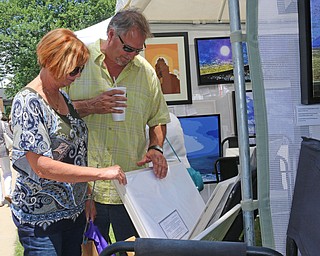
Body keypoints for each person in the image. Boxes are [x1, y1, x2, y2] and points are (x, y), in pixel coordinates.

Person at [10, 28, 127, 256]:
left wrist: (86, 196)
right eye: (74, 70)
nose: (78, 76)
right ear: (52, 61)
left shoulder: (62, 96)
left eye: (81, 69)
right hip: (41, 221)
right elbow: (41, 166)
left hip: (72, 214)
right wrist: (100, 173)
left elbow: (76, 152)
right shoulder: (27, 102)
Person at [65, 8, 171, 245]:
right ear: (111, 34)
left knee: (135, 251)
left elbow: (158, 118)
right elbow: (55, 112)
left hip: (130, 188)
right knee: (86, 251)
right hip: (85, 189)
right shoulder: (79, 61)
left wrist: (156, 148)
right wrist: (92, 105)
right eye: (127, 48)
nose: (132, 55)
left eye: (137, 49)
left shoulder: (146, 73)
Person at [0, 111, 13, 207]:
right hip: (3, 150)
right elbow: (10, 136)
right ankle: (8, 193)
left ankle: (0, 199)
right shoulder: (3, 124)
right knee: (7, 172)